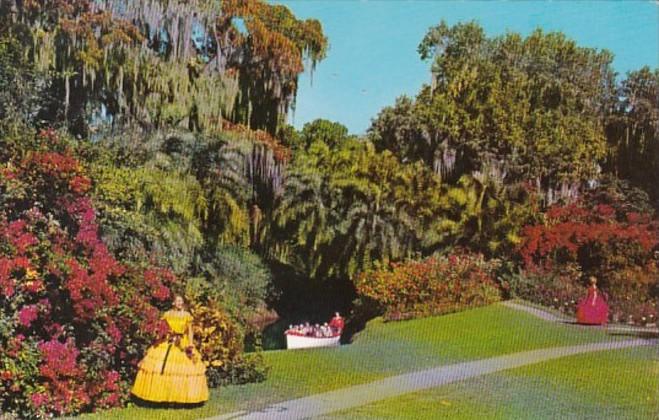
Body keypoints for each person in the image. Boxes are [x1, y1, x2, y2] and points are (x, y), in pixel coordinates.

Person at [131, 295, 209, 404]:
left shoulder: (187, 316)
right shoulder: (167, 314)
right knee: (160, 367)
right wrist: (164, 335)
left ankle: (180, 398)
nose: (179, 303)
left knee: (182, 370)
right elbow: (161, 327)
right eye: (177, 301)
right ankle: (161, 396)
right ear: (173, 303)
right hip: (168, 341)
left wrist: (190, 344)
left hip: (182, 343)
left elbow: (190, 331)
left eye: (181, 301)